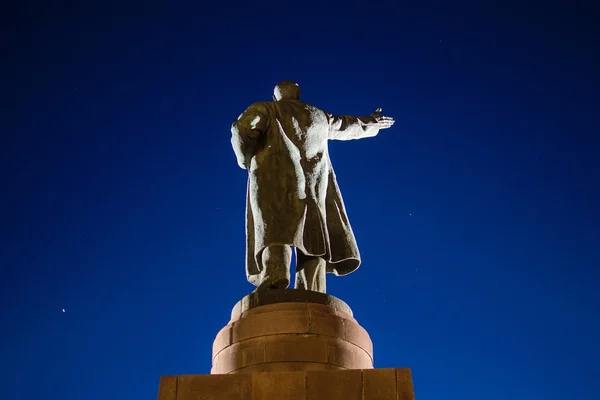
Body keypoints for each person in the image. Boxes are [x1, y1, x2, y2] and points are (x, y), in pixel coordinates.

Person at [231, 81, 394, 293]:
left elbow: (242, 129)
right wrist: (371, 122)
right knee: (312, 233)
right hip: (314, 184)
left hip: (273, 179)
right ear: (297, 95)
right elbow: (346, 125)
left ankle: (274, 276)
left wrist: (245, 159)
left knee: (275, 228)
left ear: (276, 96)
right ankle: (313, 288)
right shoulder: (318, 116)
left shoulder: (266, 108)